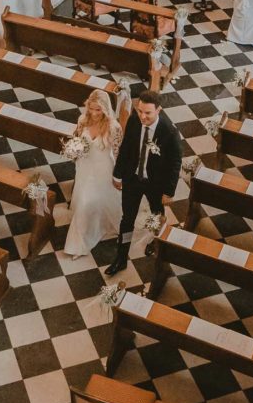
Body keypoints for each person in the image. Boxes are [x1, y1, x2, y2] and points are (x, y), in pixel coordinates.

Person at [108, 90, 182, 275]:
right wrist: (117, 174)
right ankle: (121, 257)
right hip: (132, 178)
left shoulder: (169, 132)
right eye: (140, 111)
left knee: (157, 215)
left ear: (158, 110)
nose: (143, 116)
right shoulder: (134, 121)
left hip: (155, 183)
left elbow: (175, 163)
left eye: (147, 113)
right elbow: (125, 148)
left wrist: (169, 192)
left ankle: (154, 242)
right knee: (127, 220)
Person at [63, 90, 123, 258]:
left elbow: (119, 153)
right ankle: (80, 242)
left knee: (98, 200)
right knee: (83, 200)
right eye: (92, 109)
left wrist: (118, 176)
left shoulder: (114, 127)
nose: (95, 113)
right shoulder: (82, 120)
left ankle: (90, 234)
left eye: (99, 110)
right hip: (85, 167)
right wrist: (73, 151)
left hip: (104, 169)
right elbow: (77, 139)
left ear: (105, 108)